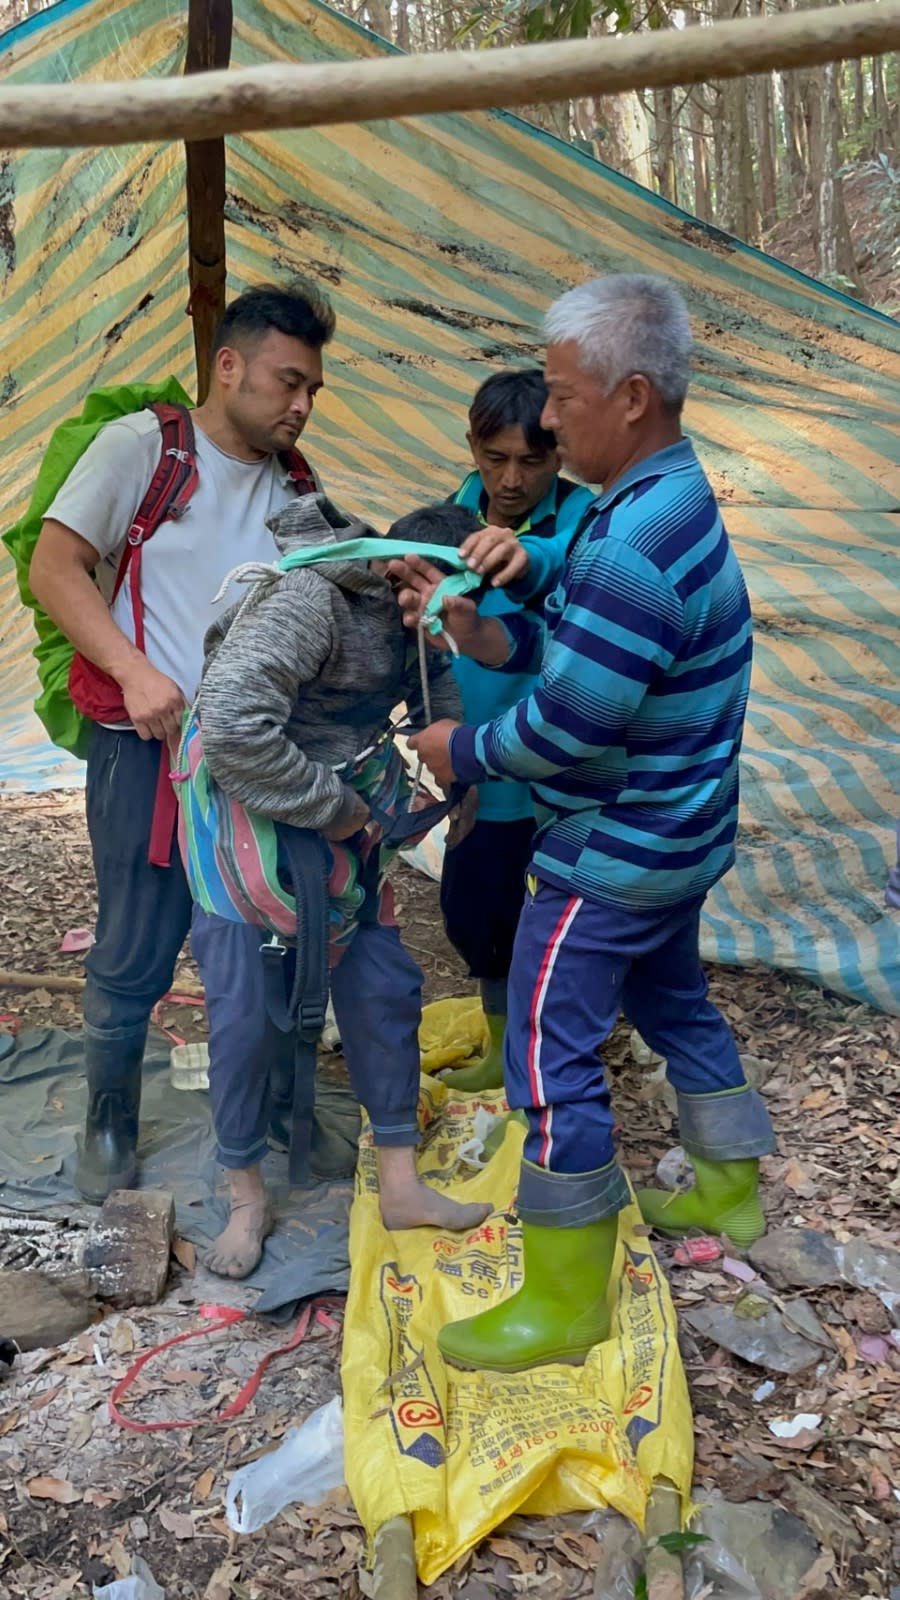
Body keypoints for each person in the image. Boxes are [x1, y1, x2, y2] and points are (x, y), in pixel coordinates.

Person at [392, 273, 777, 1373]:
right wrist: (500, 601)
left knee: (548, 1049)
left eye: (561, 398)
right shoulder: (665, 497)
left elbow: (563, 728)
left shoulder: (623, 545)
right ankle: (730, 1187)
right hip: (685, 834)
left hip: (611, 848)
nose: (547, 420)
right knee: (675, 999)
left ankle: (565, 1297)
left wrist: (456, 752)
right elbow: (587, 638)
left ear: (634, 396)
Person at [29, 280, 335, 1205]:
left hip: (258, 757)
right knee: (137, 940)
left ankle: (281, 1110)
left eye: (313, 390)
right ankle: (110, 1118)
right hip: (148, 746)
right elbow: (56, 566)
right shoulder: (146, 450)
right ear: (229, 365)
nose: (301, 405)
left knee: (276, 935)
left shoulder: (298, 483)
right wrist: (131, 669)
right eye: (288, 382)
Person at [190, 491, 492, 1272]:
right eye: (432, 607)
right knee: (245, 1016)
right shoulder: (312, 602)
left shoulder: (423, 616)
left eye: (452, 613)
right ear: (398, 573)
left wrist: (462, 780)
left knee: (383, 986)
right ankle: (247, 1197)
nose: (437, 625)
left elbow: (438, 695)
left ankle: (401, 1182)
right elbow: (229, 726)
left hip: (340, 807)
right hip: (245, 814)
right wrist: (334, 810)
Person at [391, 371, 594, 1094]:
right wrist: (439, 754)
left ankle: (550, 1055)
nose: (511, 480)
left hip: (563, 771)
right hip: (474, 761)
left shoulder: (586, 527)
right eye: (494, 456)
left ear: (560, 453)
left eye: (533, 461)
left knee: (565, 923)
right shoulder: (445, 528)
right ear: (471, 445)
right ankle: (507, 1047)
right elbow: (416, 643)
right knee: (478, 910)